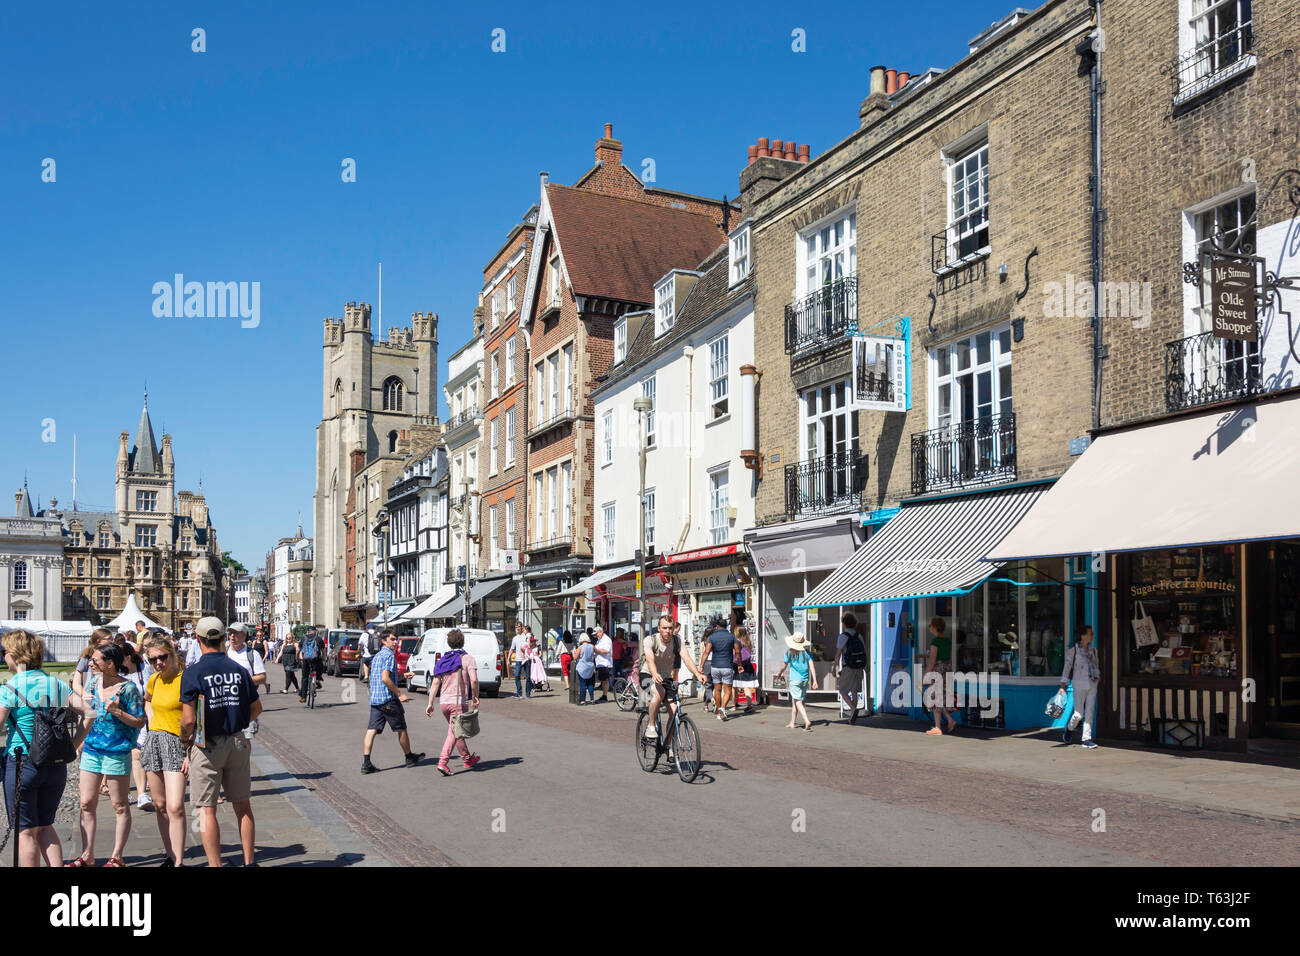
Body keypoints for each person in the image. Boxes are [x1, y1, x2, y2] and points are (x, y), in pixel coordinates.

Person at [0, 629, 91, 867]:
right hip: (55, 764)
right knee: (46, 826)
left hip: (22, 763)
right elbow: (90, 714)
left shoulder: (9, 689)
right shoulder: (56, 684)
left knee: (26, 831)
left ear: (16, 655)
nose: (3, 657)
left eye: (4, 652)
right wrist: (73, 745)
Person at [179, 616, 261, 867]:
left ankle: (216, 865)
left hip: (207, 745)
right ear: (224, 638)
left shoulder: (193, 672)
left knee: (207, 809)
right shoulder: (238, 670)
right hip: (237, 741)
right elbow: (257, 707)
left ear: (198, 639)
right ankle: (249, 862)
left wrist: (186, 742)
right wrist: (238, 722)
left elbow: (188, 720)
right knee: (243, 806)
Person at [68, 641, 146, 867]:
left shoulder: (128, 688)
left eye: (95, 660)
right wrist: (77, 743)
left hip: (117, 752)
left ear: (110, 663)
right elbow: (88, 716)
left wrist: (117, 711)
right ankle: (87, 855)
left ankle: (117, 857)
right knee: (86, 802)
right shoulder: (93, 683)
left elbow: (140, 722)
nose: (90, 663)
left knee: (120, 805)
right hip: (92, 750)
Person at [141, 635, 187, 866]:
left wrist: (191, 751)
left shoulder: (186, 679)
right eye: (153, 660)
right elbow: (147, 700)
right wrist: (151, 718)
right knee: (160, 805)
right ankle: (170, 856)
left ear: (173, 655)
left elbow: (199, 715)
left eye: (162, 657)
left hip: (178, 744)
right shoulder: (154, 680)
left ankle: (178, 861)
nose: (158, 663)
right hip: (155, 741)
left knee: (175, 805)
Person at [360, 631, 424, 774]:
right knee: (401, 728)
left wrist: (401, 675)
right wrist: (400, 694)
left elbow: (383, 676)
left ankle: (366, 762)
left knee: (372, 730)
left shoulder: (376, 657)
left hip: (376, 700)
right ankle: (409, 757)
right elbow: (385, 678)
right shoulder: (388, 655)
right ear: (384, 641)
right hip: (388, 699)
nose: (395, 642)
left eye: (396, 640)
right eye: (392, 639)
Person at [424, 628, 481, 776]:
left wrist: (430, 703)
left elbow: (435, 683)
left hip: (443, 702)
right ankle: (443, 762)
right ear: (463, 641)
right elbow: (474, 680)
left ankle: (467, 759)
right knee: (454, 732)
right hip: (458, 702)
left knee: (456, 730)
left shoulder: (443, 660)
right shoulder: (467, 658)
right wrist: (475, 696)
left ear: (449, 643)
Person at [641, 615, 707, 742]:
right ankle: (650, 726)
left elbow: (686, 658)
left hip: (665, 677)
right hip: (648, 674)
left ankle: (669, 745)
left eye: (670, 628)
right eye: (664, 628)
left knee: (674, 710)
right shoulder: (650, 640)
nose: (668, 631)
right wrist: (654, 673)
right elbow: (649, 658)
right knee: (659, 694)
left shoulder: (677, 641)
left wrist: (698, 674)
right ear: (659, 628)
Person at [1059, 625, 1100, 748]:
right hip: (1079, 684)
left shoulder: (1094, 650)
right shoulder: (1074, 651)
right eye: (1090, 633)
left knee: (1090, 712)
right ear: (1083, 636)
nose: (1092, 636)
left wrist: (1097, 678)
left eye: (1092, 633)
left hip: (1092, 683)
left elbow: (1096, 666)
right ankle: (1069, 728)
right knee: (1078, 714)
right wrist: (1063, 685)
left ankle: (1086, 739)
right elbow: (1067, 668)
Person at [696, 616, 740, 721]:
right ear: (726, 626)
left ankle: (719, 713)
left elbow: (706, 652)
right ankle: (722, 708)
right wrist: (740, 664)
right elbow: (737, 652)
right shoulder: (732, 636)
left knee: (717, 689)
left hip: (715, 667)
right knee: (728, 690)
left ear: (717, 626)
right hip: (727, 667)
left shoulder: (712, 637)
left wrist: (701, 666)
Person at [775, 633, 819, 733]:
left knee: (798, 701)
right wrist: (815, 680)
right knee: (795, 701)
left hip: (795, 680)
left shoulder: (789, 653)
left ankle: (806, 721)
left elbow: (784, 665)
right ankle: (792, 722)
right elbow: (812, 667)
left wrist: (779, 673)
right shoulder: (808, 653)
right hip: (804, 680)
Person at [832, 612, 867, 724]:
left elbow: (838, 654)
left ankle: (853, 709)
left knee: (842, 690)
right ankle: (853, 716)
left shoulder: (843, 636)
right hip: (859, 666)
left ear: (844, 623)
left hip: (848, 667)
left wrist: (834, 667)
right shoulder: (859, 636)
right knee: (855, 691)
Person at [924, 617, 957, 736]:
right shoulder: (947, 641)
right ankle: (941, 724)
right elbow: (950, 657)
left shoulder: (935, 642)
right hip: (947, 669)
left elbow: (932, 662)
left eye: (931, 625)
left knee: (934, 697)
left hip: (937, 670)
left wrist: (926, 675)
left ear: (935, 627)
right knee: (940, 697)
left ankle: (941, 725)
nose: (929, 627)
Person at [733, 626, 759, 714]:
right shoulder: (748, 642)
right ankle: (749, 704)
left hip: (739, 666)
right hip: (748, 666)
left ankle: (734, 705)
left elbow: (735, 654)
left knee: (735, 686)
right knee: (746, 686)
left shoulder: (737, 642)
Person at [298, 626, 325, 703]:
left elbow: (299, 649)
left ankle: (303, 697)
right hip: (316, 659)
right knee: (320, 667)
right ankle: (318, 679)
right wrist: (323, 658)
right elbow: (323, 650)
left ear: (308, 631)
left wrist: (298, 657)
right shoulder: (318, 638)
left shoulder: (303, 638)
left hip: (306, 659)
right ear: (315, 631)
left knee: (305, 677)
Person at [574, 634, 598, 704]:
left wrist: (573, 652)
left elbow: (575, 657)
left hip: (582, 667)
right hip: (590, 667)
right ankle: (592, 699)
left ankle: (583, 700)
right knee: (590, 684)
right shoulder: (592, 646)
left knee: (583, 684)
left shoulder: (580, 647)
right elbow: (597, 652)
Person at [510, 624, 532, 699]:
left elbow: (531, 644)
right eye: (516, 627)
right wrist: (508, 658)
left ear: (521, 627)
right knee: (516, 676)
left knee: (528, 677)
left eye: (519, 627)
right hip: (518, 659)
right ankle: (519, 693)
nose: (517, 628)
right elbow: (512, 649)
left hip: (527, 659)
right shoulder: (515, 638)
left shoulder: (526, 635)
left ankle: (528, 694)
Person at [593, 626, 613, 702]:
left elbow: (607, 650)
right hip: (600, 663)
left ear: (601, 632)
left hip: (605, 663)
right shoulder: (599, 640)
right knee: (603, 680)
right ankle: (604, 695)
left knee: (605, 680)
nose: (595, 636)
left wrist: (597, 651)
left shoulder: (606, 640)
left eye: (596, 634)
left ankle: (605, 696)